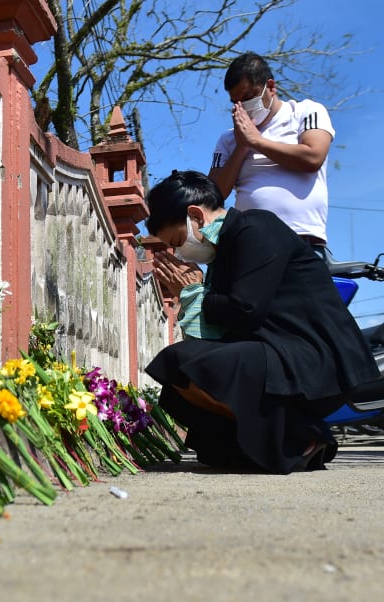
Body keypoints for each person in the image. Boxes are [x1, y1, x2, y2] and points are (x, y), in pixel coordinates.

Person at [145, 170, 378, 474]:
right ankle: (276, 443)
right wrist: (195, 295)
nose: (180, 252)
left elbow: (245, 310)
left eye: (177, 240)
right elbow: (222, 330)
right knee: (177, 382)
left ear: (195, 216)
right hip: (277, 354)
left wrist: (194, 293)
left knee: (182, 362)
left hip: (315, 359)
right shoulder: (222, 252)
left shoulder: (255, 227)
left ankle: (300, 435)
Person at [208, 52, 334, 253]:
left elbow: (313, 158)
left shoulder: (305, 112)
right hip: (250, 244)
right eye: (236, 102)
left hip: (302, 238)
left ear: (271, 87)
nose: (243, 107)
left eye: (248, 97)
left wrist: (257, 141)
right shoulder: (228, 139)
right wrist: (242, 147)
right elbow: (214, 195)